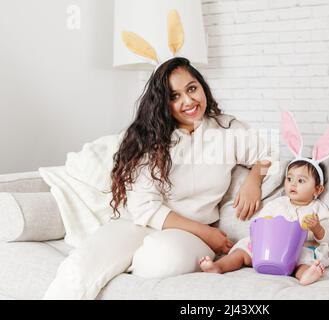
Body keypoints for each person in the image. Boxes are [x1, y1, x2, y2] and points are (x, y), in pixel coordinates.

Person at [43, 57, 272, 299]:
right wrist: (208, 234)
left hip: (188, 237)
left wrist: (254, 180)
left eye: (192, 88)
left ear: (202, 86)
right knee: (79, 266)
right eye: (175, 96)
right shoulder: (151, 139)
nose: (188, 101)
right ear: (163, 103)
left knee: (161, 260)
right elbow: (144, 207)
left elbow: (267, 154)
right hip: (139, 224)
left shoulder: (227, 130)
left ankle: (131, 263)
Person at [199, 114, 329, 285]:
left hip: (296, 252)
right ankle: (218, 267)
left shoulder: (317, 210)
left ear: (317, 190)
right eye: (289, 179)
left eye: (301, 180)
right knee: (242, 252)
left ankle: (305, 275)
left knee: (304, 260)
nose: (293, 184)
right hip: (269, 250)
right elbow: (261, 223)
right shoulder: (278, 204)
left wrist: (316, 228)